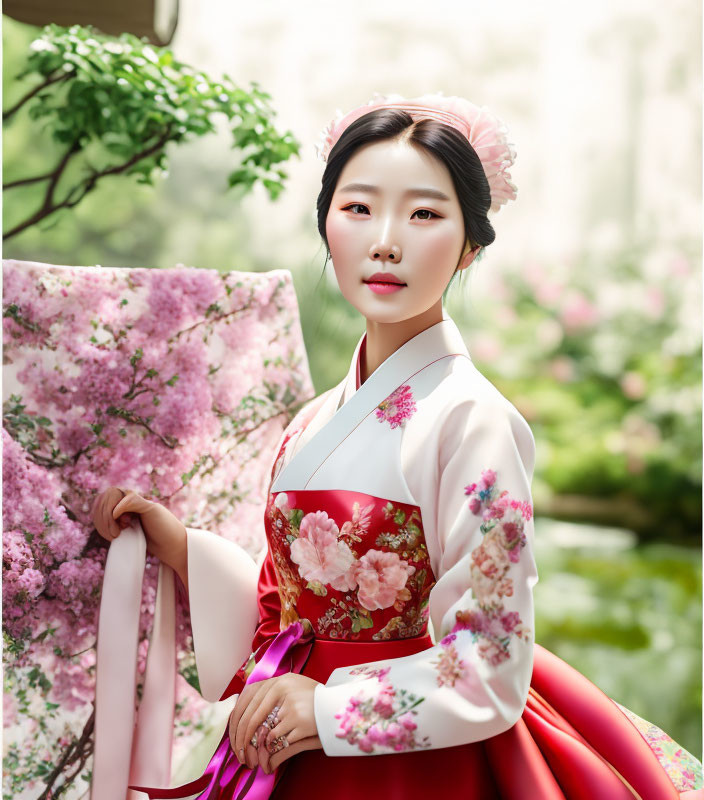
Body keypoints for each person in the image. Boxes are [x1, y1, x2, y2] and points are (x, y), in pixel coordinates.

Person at [94, 93, 703, 799]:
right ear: (326, 226)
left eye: (424, 214)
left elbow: (492, 657)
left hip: (411, 763)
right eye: (358, 209)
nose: (386, 241)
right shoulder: (316, 418)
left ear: (471, 245)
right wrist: (185, 551)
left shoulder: (473, 420)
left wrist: (325, 708)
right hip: (298, 751)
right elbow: (287, 611)